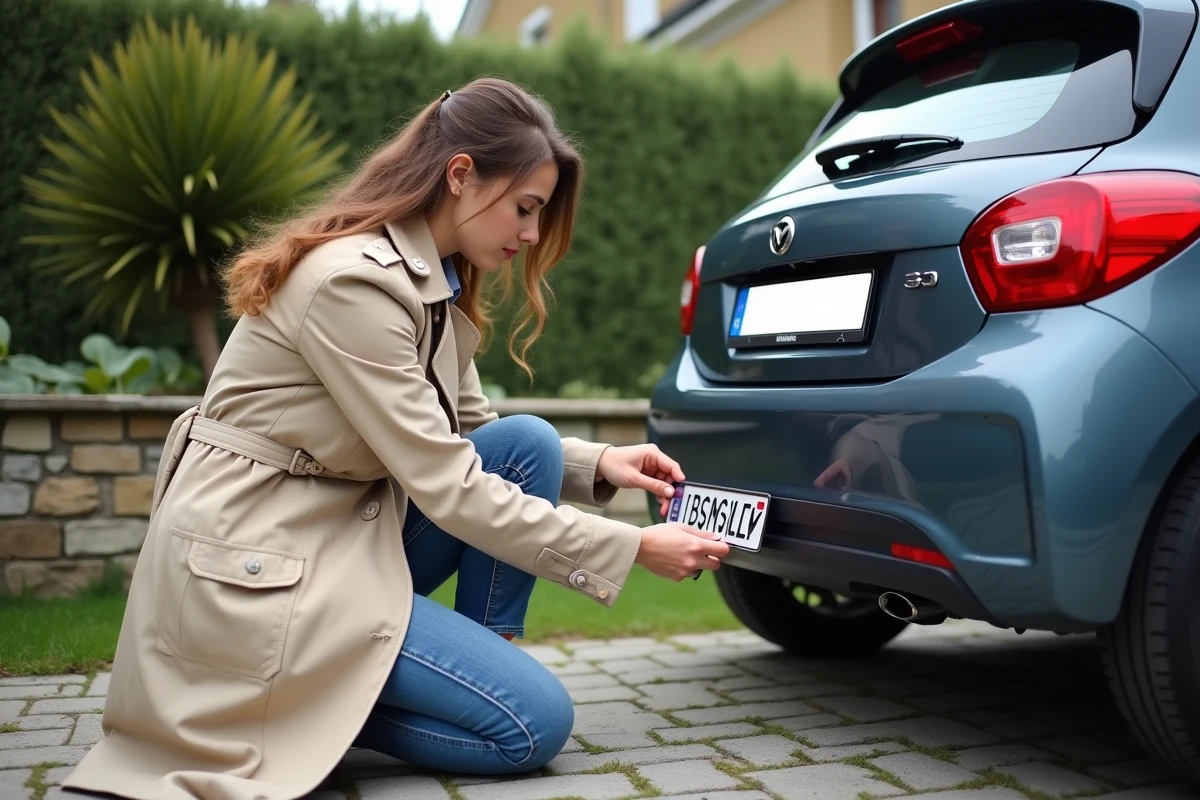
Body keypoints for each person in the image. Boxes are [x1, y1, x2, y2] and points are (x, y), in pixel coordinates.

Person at [61, 78, 730, 800]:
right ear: (461, 174)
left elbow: (474, 437)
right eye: (526, 207)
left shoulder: (430, 281)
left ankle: (475, 665)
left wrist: (599, 464)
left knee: (527, 443)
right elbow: (450, 485)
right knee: (532, 726)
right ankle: (312, 707)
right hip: (262, 564)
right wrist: (632, 547)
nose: (533, 235)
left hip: (332, 539)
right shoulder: (354, 286)